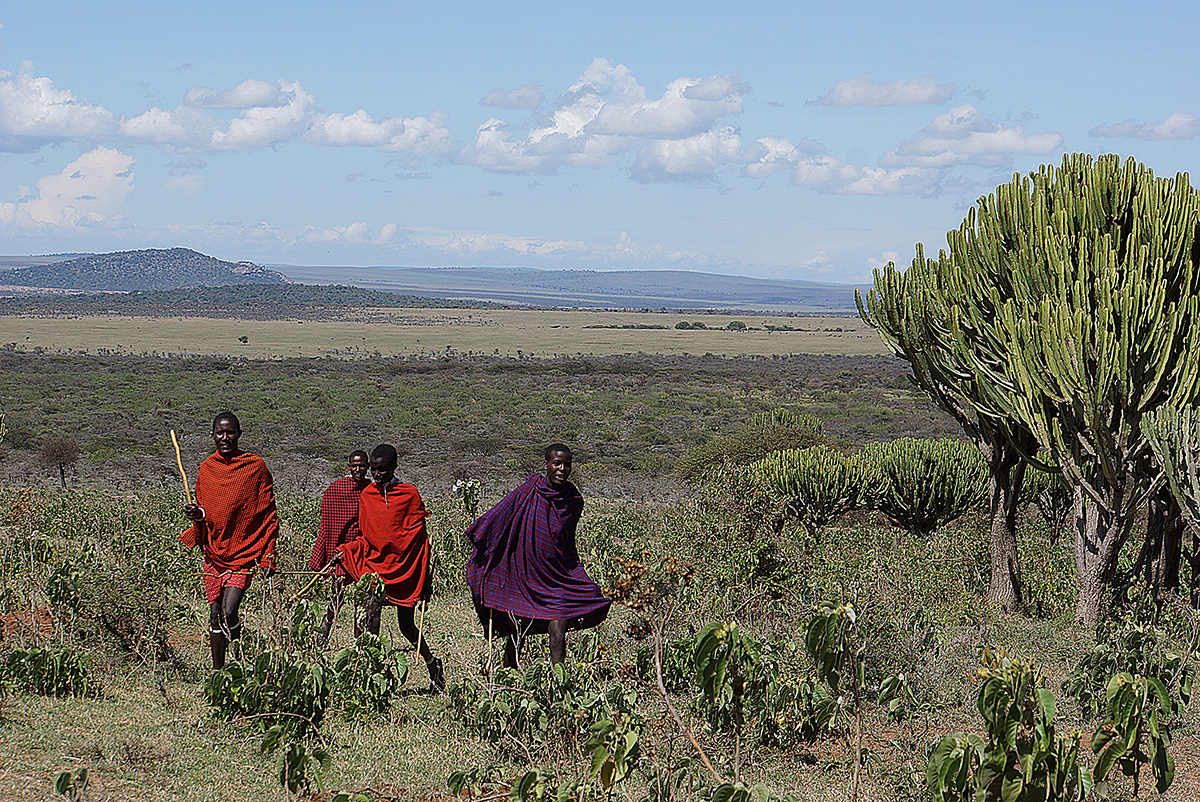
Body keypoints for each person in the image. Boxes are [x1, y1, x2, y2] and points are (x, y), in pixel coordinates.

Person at [465, 443, 610, 668]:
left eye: (567, 465)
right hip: (525, 572)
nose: (562, 469)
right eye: (557, 463)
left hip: (557, 575)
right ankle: (508, 676)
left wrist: (573, 569)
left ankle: (558, 683)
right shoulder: (528, 491)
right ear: (546, 465)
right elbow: (500, 515)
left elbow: (566, 541)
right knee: (518, 626)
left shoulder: (573, 501)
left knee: (559, 625)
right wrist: (482, 536)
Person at [332, 444, 444, 692]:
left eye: (382, 470)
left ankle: (432, 664)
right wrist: (345, 551)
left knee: (407, 627)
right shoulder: (368, 495)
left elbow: (419, 540)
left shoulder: (409, 494)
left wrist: (425, 580)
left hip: (405, 570)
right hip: (375, 567)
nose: (376, 475)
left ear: (394, 467)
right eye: (374, 470)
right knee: (370, 619)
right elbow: (366, 537)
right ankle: (369, 678)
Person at [181, 412, 279, 669]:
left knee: (229, 611)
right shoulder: (207, 468)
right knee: (215, 616)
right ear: (212, 435)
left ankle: (239, 665)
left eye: (230, 432)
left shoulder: (255, 467)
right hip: (214, 552)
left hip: (244, 551)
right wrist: (196, 515)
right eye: (219, 433)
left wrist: (268, 554)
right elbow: (206, 511)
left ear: (239, 434)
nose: (224, 438)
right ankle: (219, 676)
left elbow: (268, 513)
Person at [309, 449, 370, 646]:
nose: (358, 469)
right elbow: (329, 523)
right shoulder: (336, 489)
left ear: (368, 467)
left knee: (363, 595)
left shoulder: (371, 490)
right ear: (349, 466)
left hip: (363, 549)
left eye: (361, 465)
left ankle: (359, 640)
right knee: (337, 594)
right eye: (354, 465)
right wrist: (332, 549)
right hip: (342, 550)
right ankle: (325, 628)